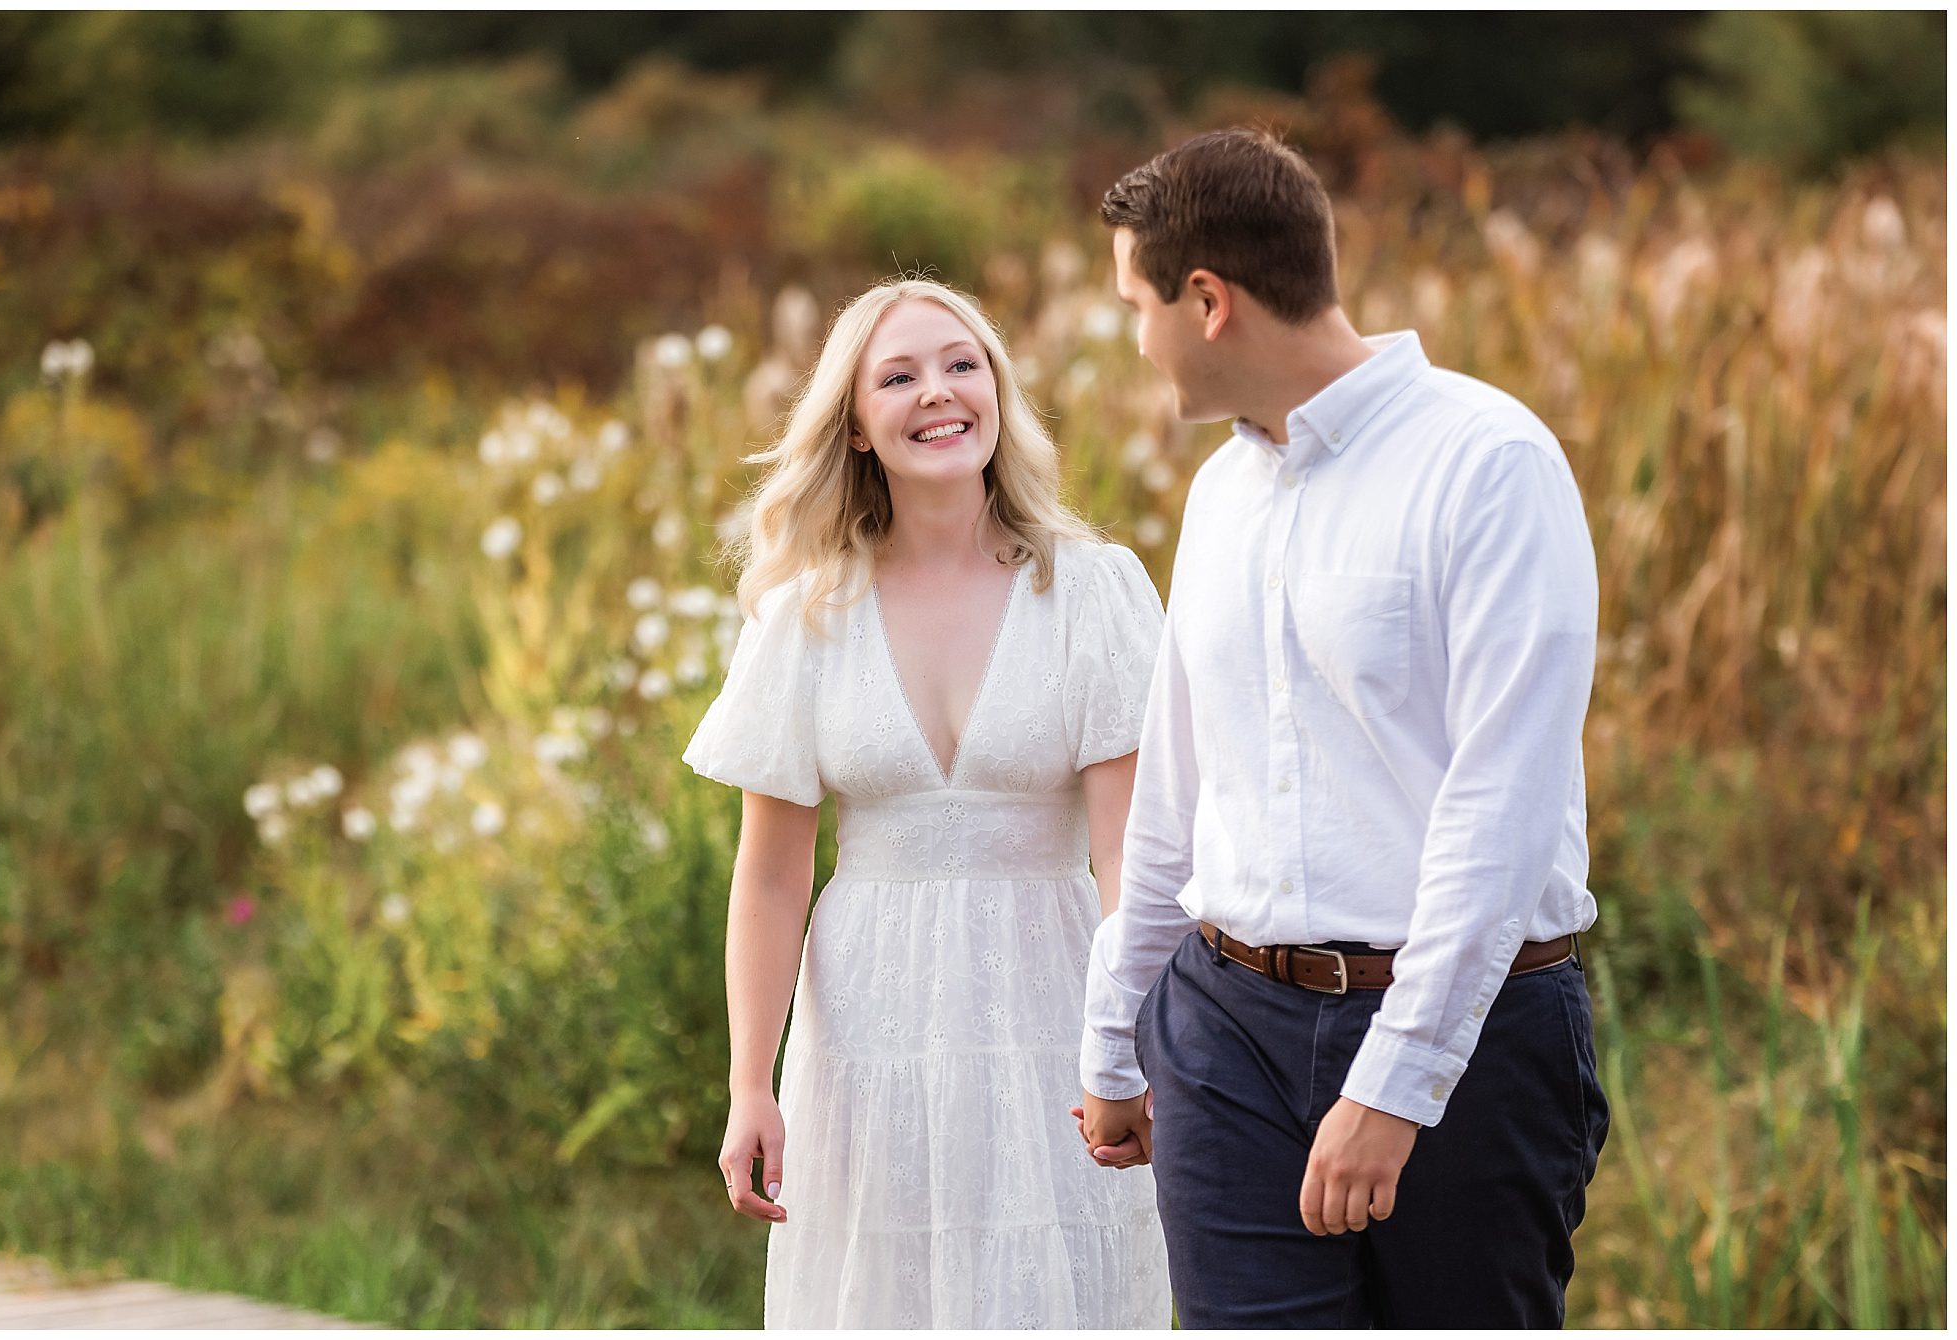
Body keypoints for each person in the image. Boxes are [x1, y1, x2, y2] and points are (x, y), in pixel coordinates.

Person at [1075, 128, 1609, 1328]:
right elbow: (1177, 792)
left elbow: (1502, 807)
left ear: (1206, 300)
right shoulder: (1220, 492)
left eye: (1133, 305)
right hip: (1224, 1029)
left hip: (1465, 1040)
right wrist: (1116, 1040)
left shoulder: (1487, 463)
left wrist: (1396, 1083)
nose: (1133, 338)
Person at [683, 277, 1172, 1328]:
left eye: (961, 364)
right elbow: (769, 878)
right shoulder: (806, 613)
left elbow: (1130, 857)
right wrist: (748, 1082)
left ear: (996, 391)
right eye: (896, 375)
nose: (937, 392)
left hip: (1055, 1005)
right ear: (854, 426)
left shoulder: (1093, 588)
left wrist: (1125, 1045)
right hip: (867, 1023)